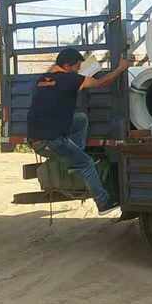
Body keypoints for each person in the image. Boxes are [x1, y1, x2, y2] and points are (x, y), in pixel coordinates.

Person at [27, 48, 130, 215]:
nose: (78, 70)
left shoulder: (41, 80)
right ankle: (103, 203)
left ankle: (75, 157)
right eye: (77, 67)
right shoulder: (70, 79)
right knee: (87, 164)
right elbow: (101, 83)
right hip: (50, 141)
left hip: (35, 137)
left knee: (80, 119)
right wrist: (120, 68)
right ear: (67, 66)